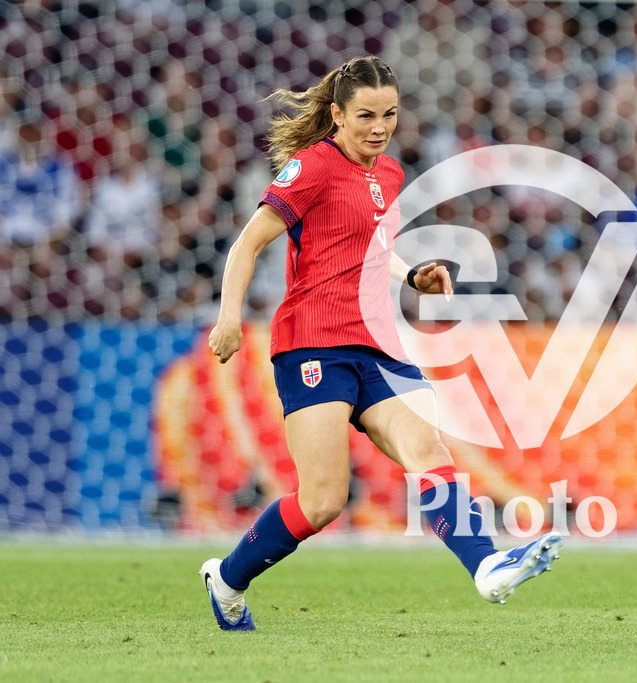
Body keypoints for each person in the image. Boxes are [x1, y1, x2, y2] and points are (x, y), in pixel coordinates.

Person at [200, 55, 562, 631]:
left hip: (379, 344)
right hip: (312, 342)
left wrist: (412, 275)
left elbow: (370, 246)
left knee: (429, 453)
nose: (379, 126)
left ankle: (488, 566)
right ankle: (226, 579)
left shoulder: (389, 174)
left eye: (389, 114)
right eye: (366, 115)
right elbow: (247, 245)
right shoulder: (312, 167)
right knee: (322, 502)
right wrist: (228, 318)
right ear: (337, 115)